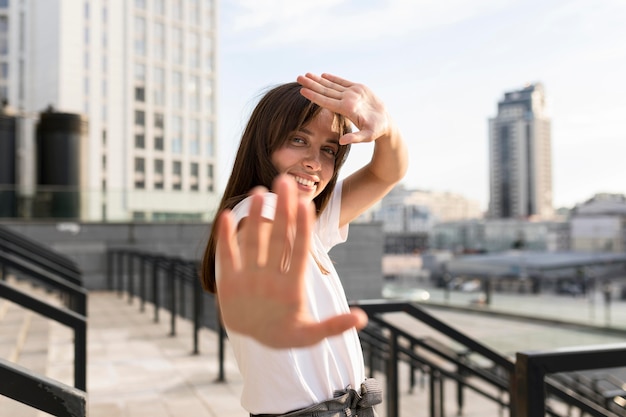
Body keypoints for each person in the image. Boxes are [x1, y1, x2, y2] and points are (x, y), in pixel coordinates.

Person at [200, 72, 407, 416]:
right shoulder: (260, 208)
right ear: (263, 142)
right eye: (298, 140)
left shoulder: (308, 220)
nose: (314, 162)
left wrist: (385, 126)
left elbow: (387, 173)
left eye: (328, 149)